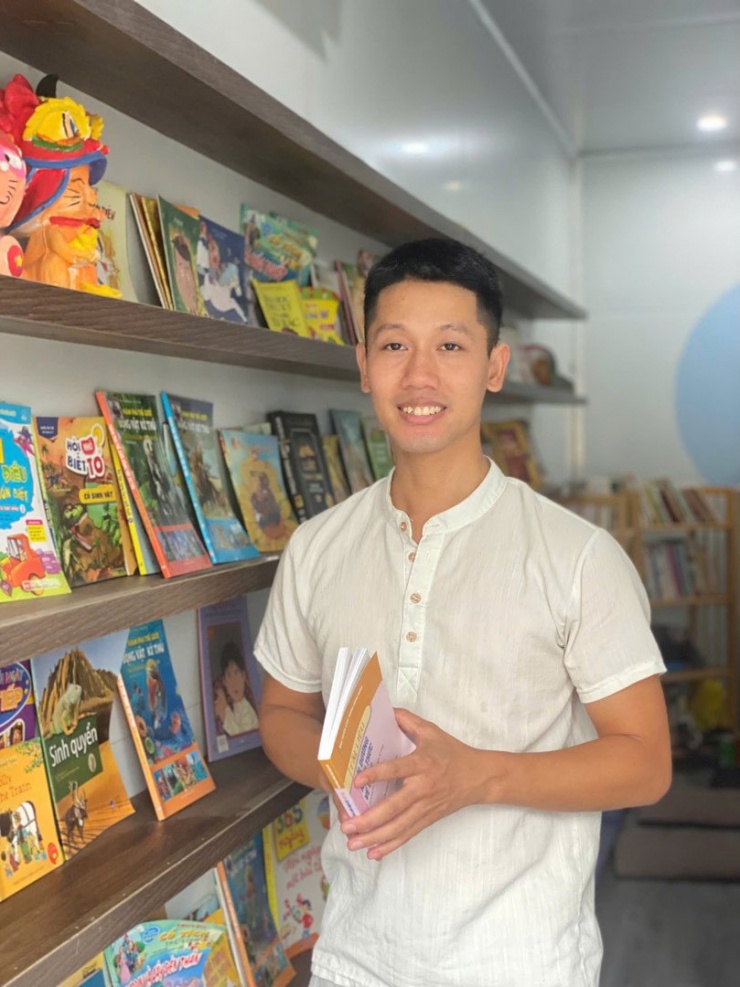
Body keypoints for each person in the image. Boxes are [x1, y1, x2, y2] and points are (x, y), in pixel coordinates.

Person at [254, 237, 671, 987]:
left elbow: (645, 762)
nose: (419, 375)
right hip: (355, 959)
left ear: (493, 367)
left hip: (522, 962)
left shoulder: (577, 556)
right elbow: (282, 712)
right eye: (394, 345)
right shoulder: (317, 547)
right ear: (364, 365)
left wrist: (477, 777)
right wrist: (359, 772)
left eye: (450, 345)